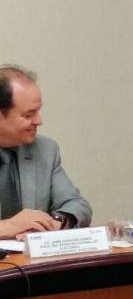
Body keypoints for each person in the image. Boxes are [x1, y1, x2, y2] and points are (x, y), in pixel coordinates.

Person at [0, 65, 91, 239]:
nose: (39, 121)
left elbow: (77, 204)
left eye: (38, 111)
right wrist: (7, 227)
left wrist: (57, 221)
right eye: (28, 115)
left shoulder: (45, 150)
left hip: (30, 255)